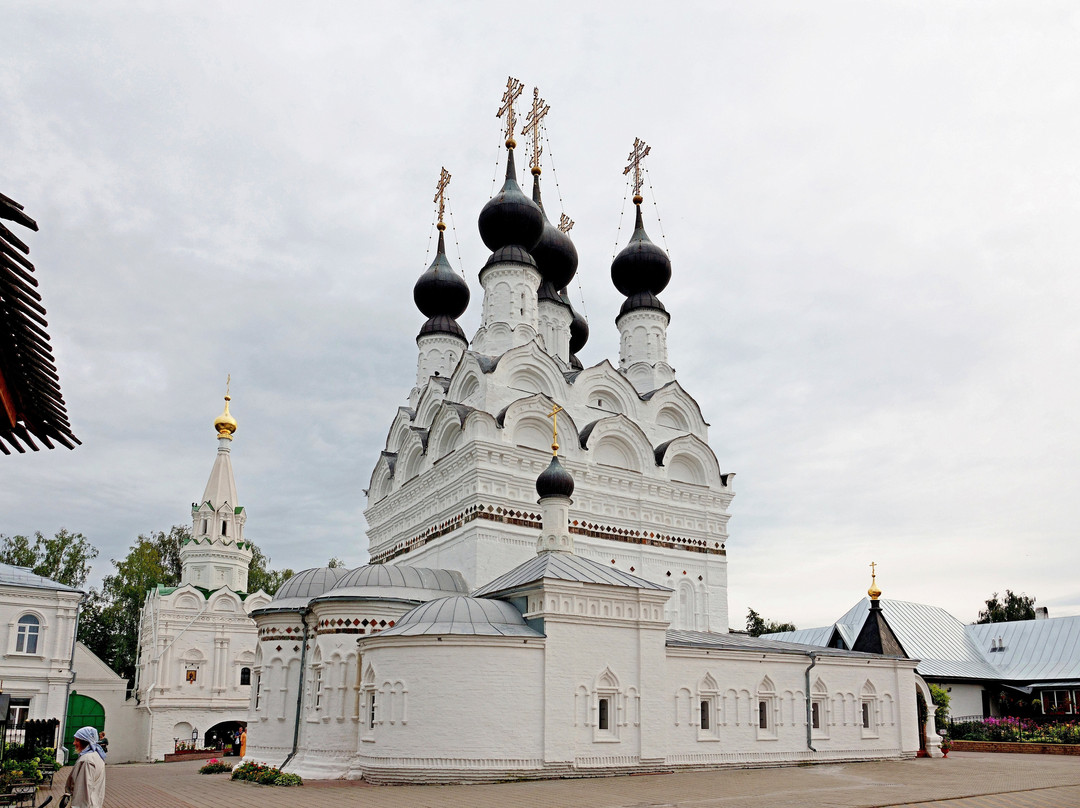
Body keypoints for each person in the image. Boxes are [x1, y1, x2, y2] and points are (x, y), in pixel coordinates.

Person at [65, 726, 106, 808]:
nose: (74, 743)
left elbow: (82, 791)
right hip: (94, 803)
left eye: (77, 740)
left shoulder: (86, 760)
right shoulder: (96, 755)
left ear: (85, 741)